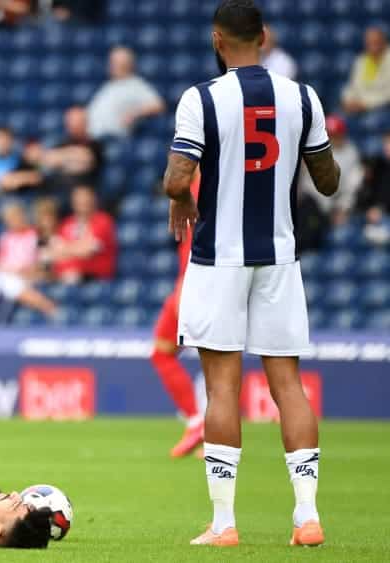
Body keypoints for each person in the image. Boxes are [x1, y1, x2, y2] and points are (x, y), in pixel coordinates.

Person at [164, 0, 341, 548]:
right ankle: (307, 517)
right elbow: (329, 182)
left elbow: (177, 179)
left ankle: (224, 524)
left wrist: (181, 201)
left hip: (219, 258)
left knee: (222, 387)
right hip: (280, 258)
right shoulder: (302, 97)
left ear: (217, 40)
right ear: (263, 36)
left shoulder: (201, 98)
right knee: (288, 386)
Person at [150, 173, 204, 458]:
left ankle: (213, 434)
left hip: (199, 279)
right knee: (162, 352)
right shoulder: (196, 185)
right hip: (192, 278)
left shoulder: (202, 186)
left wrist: (187, 282)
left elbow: (200, 239)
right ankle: (198, 425)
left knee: (218, 360)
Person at [298, 115, 364, 227]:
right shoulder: (315, 150)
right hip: (313, 203)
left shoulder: (351, 153)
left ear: (342, 135)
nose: (331, 139)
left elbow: (352, 187)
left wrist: (342, 208)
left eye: (335, 135)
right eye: (329, 135)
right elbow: (307, 184)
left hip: (339, 205)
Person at [86, 46, 165, 138]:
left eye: (115, 62)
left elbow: (158, 105)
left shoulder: (136, 85)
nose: (110, 65)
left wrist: (134, 114)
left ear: (127, 64)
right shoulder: (109, 85)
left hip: (111, 139)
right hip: (90, 136)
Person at [52, 185, 117, 283]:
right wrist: (76, 248)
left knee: (71, 278)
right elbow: (54, 253)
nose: (82, 202)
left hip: (95, 278)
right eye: (79, 199)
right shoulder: (67, 223)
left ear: (93, 200)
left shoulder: (103, 221)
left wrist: (66, 249)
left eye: (86, 199)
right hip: (64, 276)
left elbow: (87, 251)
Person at [43, 106, 103, 192]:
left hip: (83, 188)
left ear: (86, 123)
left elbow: (85, 161)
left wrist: (61, 159)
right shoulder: (62, 143)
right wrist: (71, 158)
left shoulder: (94, 145)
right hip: (58, 188)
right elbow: (48, 161)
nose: (74, 125)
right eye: (71, 122)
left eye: (78, 122)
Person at [342, 26, 390, 114]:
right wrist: (348, 101)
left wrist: (366, 104)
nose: (372, 46)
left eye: (376, 42)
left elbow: (387, 94)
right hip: (358, 106)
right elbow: (351, 87)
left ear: (384, 42)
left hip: (381, 108)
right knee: (334, 119)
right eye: (369, 43)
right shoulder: (361, 60)